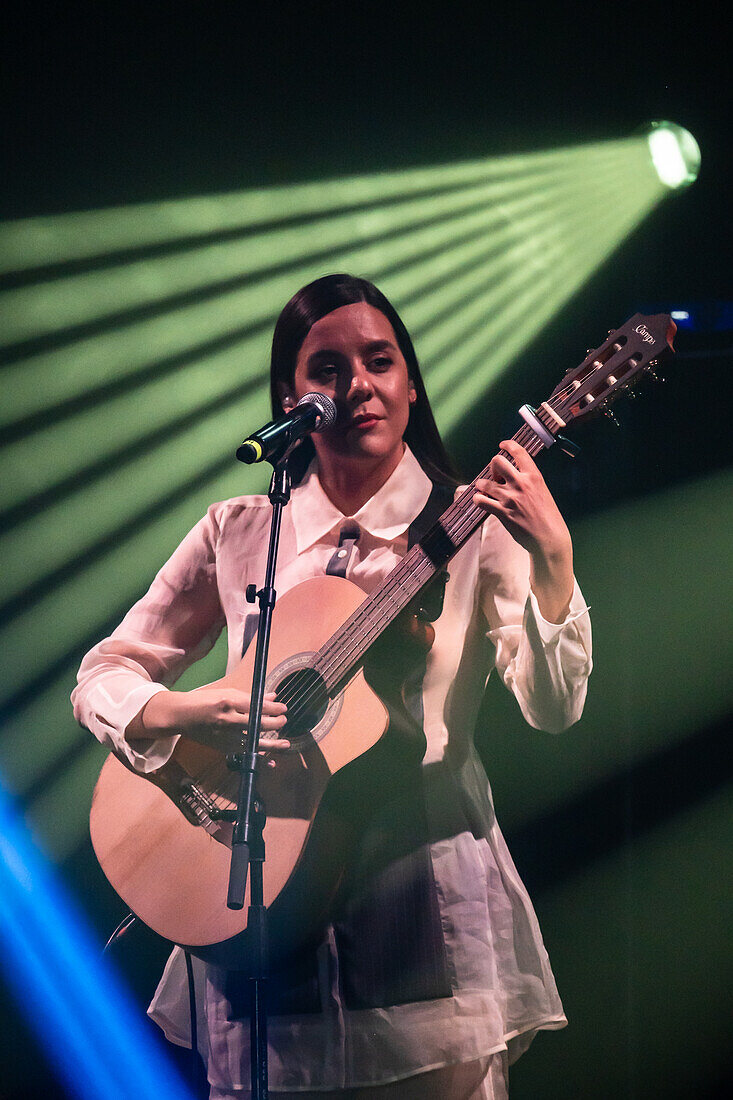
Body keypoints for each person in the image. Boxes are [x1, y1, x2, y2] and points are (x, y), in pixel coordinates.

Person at [73, 273, 592, 1099]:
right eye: (327, 368)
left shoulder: (474, 523)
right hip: (253, 913)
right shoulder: (237, 531)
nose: (357, 386)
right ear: (291, 396)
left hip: (419, 923)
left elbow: (555, 710)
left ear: (411, 384)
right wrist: (188, 709)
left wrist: (555, 562)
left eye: (379, 362)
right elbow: (104, 673)